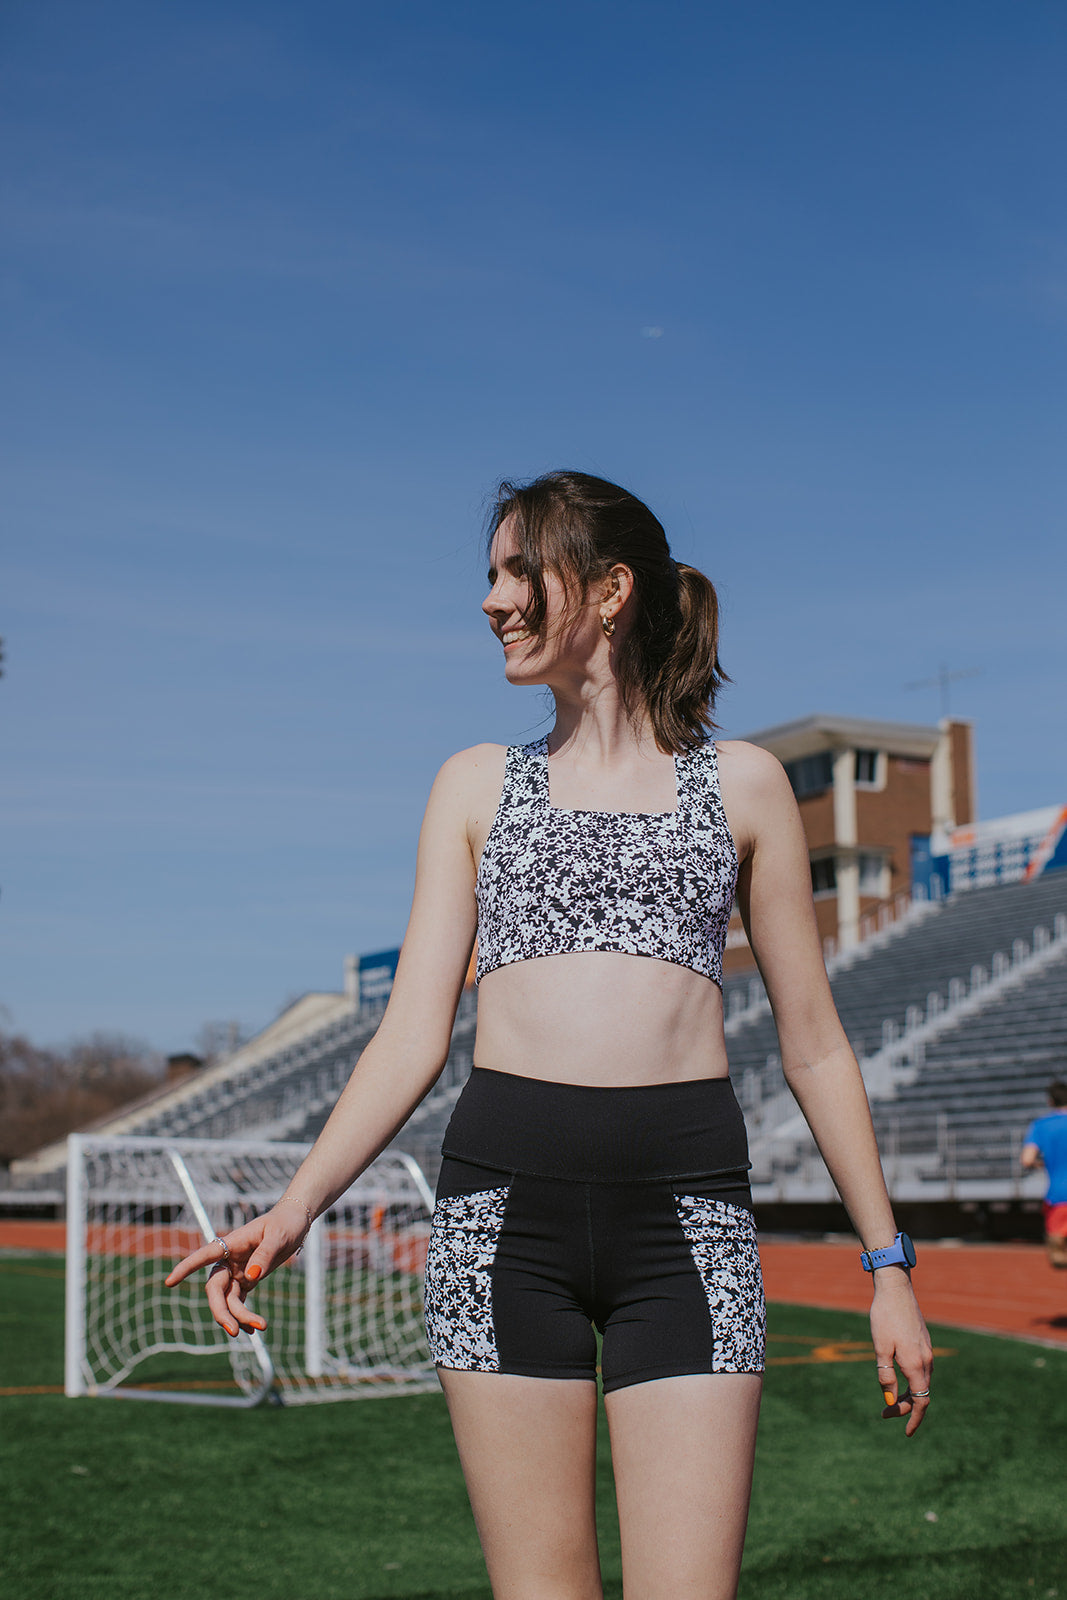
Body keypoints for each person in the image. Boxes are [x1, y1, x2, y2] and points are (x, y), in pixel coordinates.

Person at [166, 471, 932, 1600]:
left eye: (519, 571)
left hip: (688, 1225)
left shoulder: (745, 785)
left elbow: (814, 1044)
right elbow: (410, 1034)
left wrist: (887, 1266)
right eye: (490, 575)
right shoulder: (473, 786)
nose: (492, 600)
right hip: (500, 1228)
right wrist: (293, 1211)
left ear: (610, 591)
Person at [1021, 1079, 1067, 1269]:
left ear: (1050, 1101)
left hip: (1058, 1196)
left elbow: (1027, 1159)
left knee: (1058, 1259)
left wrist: (1041, 1163)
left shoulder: (1041, 1125)